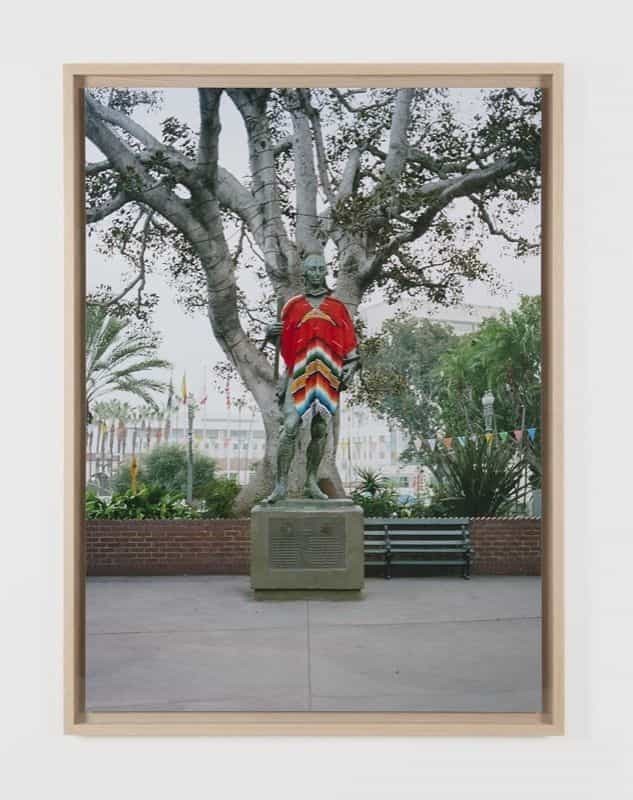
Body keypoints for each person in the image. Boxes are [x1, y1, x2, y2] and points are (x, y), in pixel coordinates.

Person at [263, 253, 360, 503]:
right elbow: (283, 344)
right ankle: (280, 485)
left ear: (325, 272)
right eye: (312, 269)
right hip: (299, 372)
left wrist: (350, 369)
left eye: (320, 269)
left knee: (320, 429)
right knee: (290, 426)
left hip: (327, 374)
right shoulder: (293, 306)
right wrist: (271, 334)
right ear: (305, 273)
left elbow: (351, 350)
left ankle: (311, 482)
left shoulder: (337, 308)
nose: (317, 273)